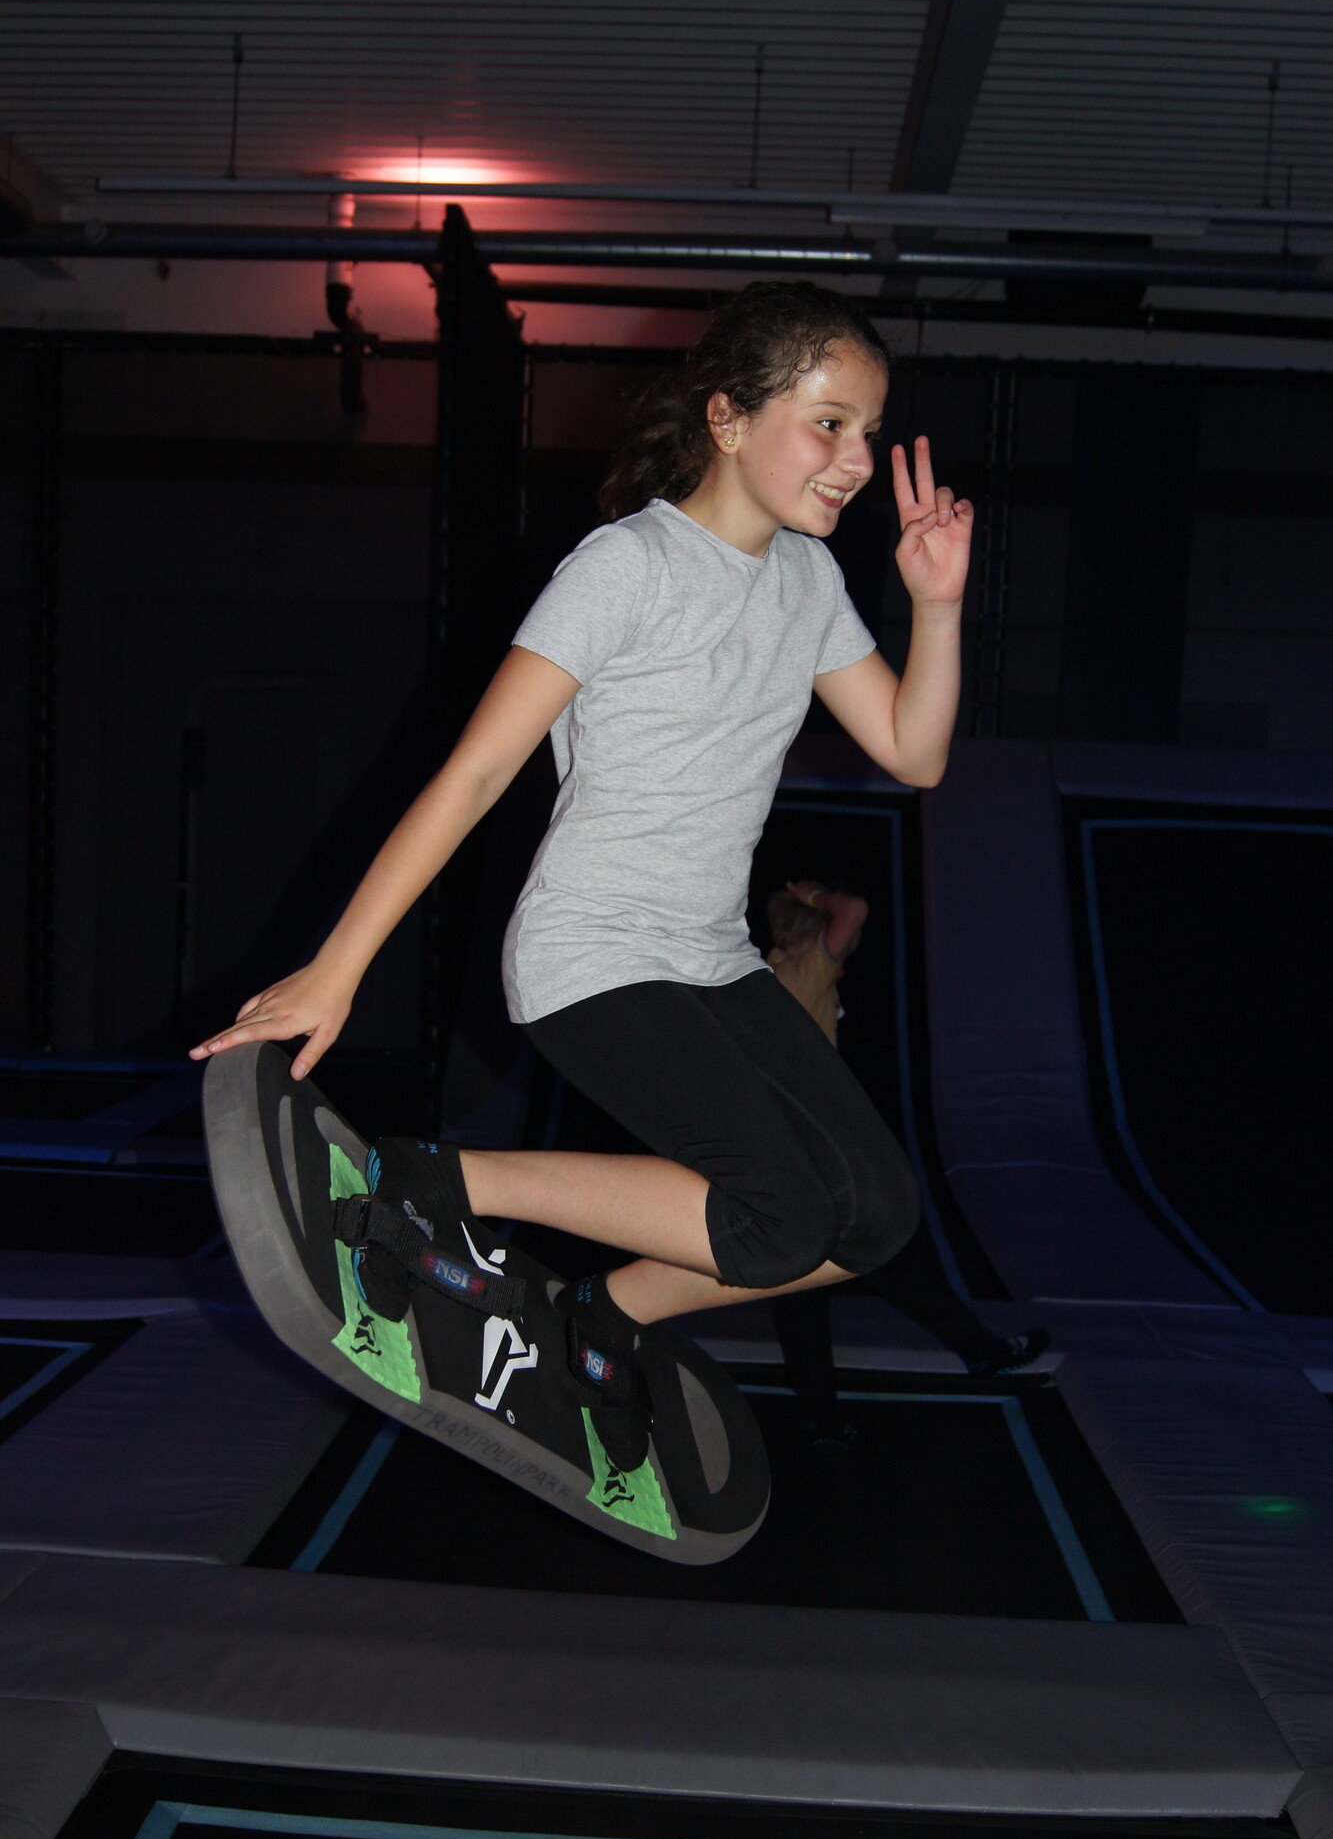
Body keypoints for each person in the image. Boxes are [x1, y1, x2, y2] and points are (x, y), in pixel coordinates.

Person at [191, 280, 971, 1472]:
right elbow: (472, 774)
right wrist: (335, 970)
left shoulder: (806, 583)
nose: (857, 459)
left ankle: (607, 1315)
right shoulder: (627, 565)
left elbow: (914, 752)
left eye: (867, 430)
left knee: (876, 1213)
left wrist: (937, 605)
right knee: (779, 1221)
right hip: (593, 951)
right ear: (727, 417)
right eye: (829, 423)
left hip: (708, 956)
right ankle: (433, 1179)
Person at [762, 882, 1050, 1438]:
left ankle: (822, 1408)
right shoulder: (804, 972)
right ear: (812, 930)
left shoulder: (765, 975)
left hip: (789, 1150)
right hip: (814, 1153)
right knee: (868, 1256)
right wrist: (811, 893)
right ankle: (974, 1352)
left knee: (818, 1273)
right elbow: (855, 910)